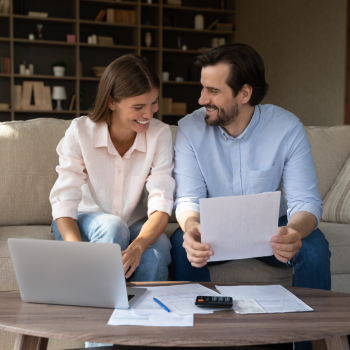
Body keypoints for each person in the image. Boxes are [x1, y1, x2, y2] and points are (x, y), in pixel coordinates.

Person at [170, 43, 330, 350]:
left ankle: (310, 343)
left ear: (244, 94)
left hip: (272, 229)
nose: (202, 99)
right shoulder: (190, 128)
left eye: (213, 91)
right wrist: (192, 226)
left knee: (314, 246)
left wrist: (294, 232)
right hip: (213, 229)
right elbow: (187, 199)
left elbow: (306, 202)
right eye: (203, 89)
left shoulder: (286, 127)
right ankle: (194, 343)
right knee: (181, 243)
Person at [49, 55, 174, 348]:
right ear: (112, 102)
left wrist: (139, 246)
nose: (149, 113)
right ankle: (100, 343)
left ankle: (144, 340)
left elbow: (161, 200)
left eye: (154, 103)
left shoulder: (159, 134)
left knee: (158, 250)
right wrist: (78, 253)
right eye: (138, 107)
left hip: (133, 226)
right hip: (81, 224)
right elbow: (64, 200)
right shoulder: (80, 131)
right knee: (112, 227)